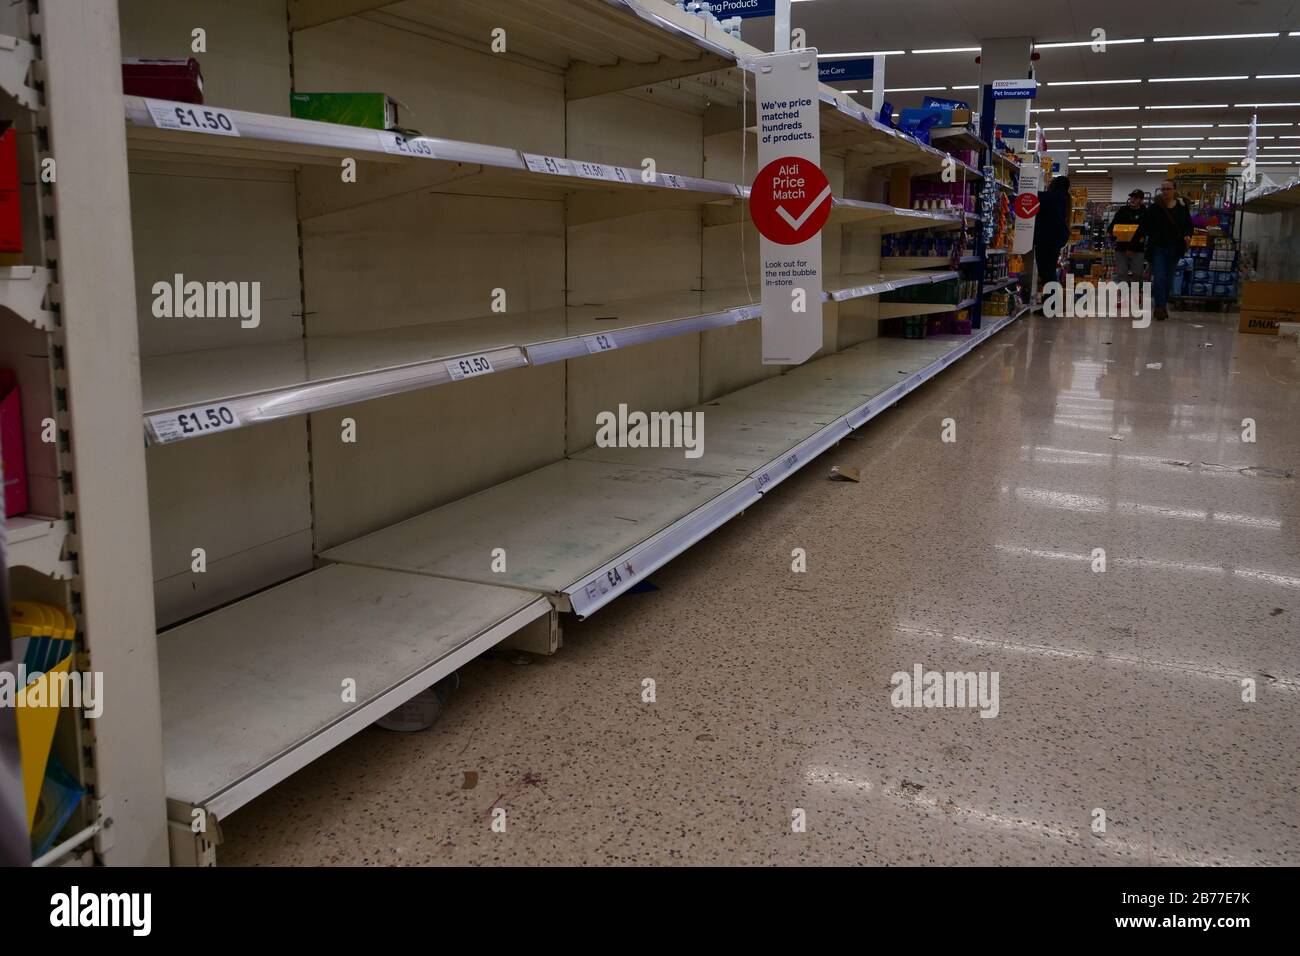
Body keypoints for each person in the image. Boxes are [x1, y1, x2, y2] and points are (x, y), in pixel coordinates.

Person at [1132, 179, 1193, 321]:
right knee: (1159, 278)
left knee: (1169, 280)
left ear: (1174, 190)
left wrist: (1187, 235)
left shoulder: (1182, 208)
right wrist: (1133, 243)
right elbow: (1143, 226)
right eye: (1163, 189)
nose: (1165, 192)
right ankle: (1159, 307)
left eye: (1168, 189)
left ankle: (1163, 304)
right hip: (1158, 248)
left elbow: (1188, 225)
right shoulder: (1155, 208)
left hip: (1175, 248)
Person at [1033, 176, 1071, 303]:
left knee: (1046, 272)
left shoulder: (1055, 196)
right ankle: (1051, 304)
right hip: (1055, 238)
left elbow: (1035, 196)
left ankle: (1051, 305)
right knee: (1049, 272)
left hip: (1047, 239)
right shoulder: (1064, 197)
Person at [1110, 188, 1146, 285]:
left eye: (1136, 198)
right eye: (1131, 197)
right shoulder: (1123, 211)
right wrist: (1111, 234)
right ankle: (1123, 294)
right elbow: (1113, 225)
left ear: (1141, 200)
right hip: (1121, 246)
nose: (1133, 200)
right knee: (1121, 273)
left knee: (1137, 273)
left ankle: (1135, 294)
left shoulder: (1145, 213)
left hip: (1137, 248)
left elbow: (1145, 230)